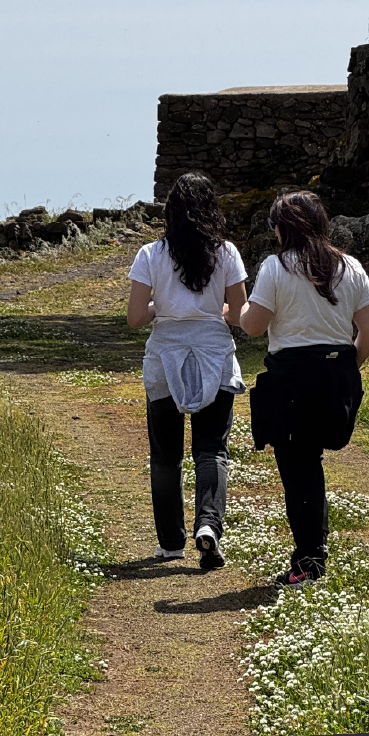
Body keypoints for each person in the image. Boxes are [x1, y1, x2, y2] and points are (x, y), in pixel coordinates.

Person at [240, 190, 369, 587]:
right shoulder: (349, 266)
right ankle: (313, 553)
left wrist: (237, 311)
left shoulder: (276, 267)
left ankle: (309, 560)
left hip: (291, 377)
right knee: (309, 462)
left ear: (282, 229)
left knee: (298, 467)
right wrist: (348, 368)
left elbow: (254, 325)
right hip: (336, 375)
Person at [127, 171, 248, 569]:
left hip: (165, 356)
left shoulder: (150, 255)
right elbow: (238, 313)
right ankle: (208, 525)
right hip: (214, 353)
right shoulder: (227, 253)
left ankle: (171, 542)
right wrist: (208, 309)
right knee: (212, 449)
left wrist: (165, 306)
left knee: (165, 456)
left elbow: (134, 318)